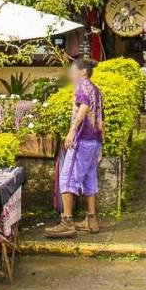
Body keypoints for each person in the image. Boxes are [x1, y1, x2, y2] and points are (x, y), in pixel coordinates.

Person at [45, 57, 104, 238]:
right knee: (89, 179)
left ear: (83, 72)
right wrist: (101, 145)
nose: (71, 74)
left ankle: (67, 221)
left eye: (73, 70)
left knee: (67, 178)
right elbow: (101, 120)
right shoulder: (96, 89)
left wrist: (71, 131)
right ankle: (91, 220)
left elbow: (84, 108)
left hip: (82, 140)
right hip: (93, 141)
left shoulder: (82, 86)